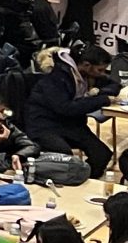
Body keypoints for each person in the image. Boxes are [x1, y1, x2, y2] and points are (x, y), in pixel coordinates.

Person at [25, 42, 120, 176]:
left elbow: (114, 85)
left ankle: (85, 179)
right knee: (65, 158)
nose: (102, 74)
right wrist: (102, 99)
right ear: (87, 65)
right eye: (100, 70)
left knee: (102, 154)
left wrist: (99, 92)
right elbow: (66, 108)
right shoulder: (56, 75)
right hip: (43, 125)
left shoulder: (88, 74)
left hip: (71, 124)